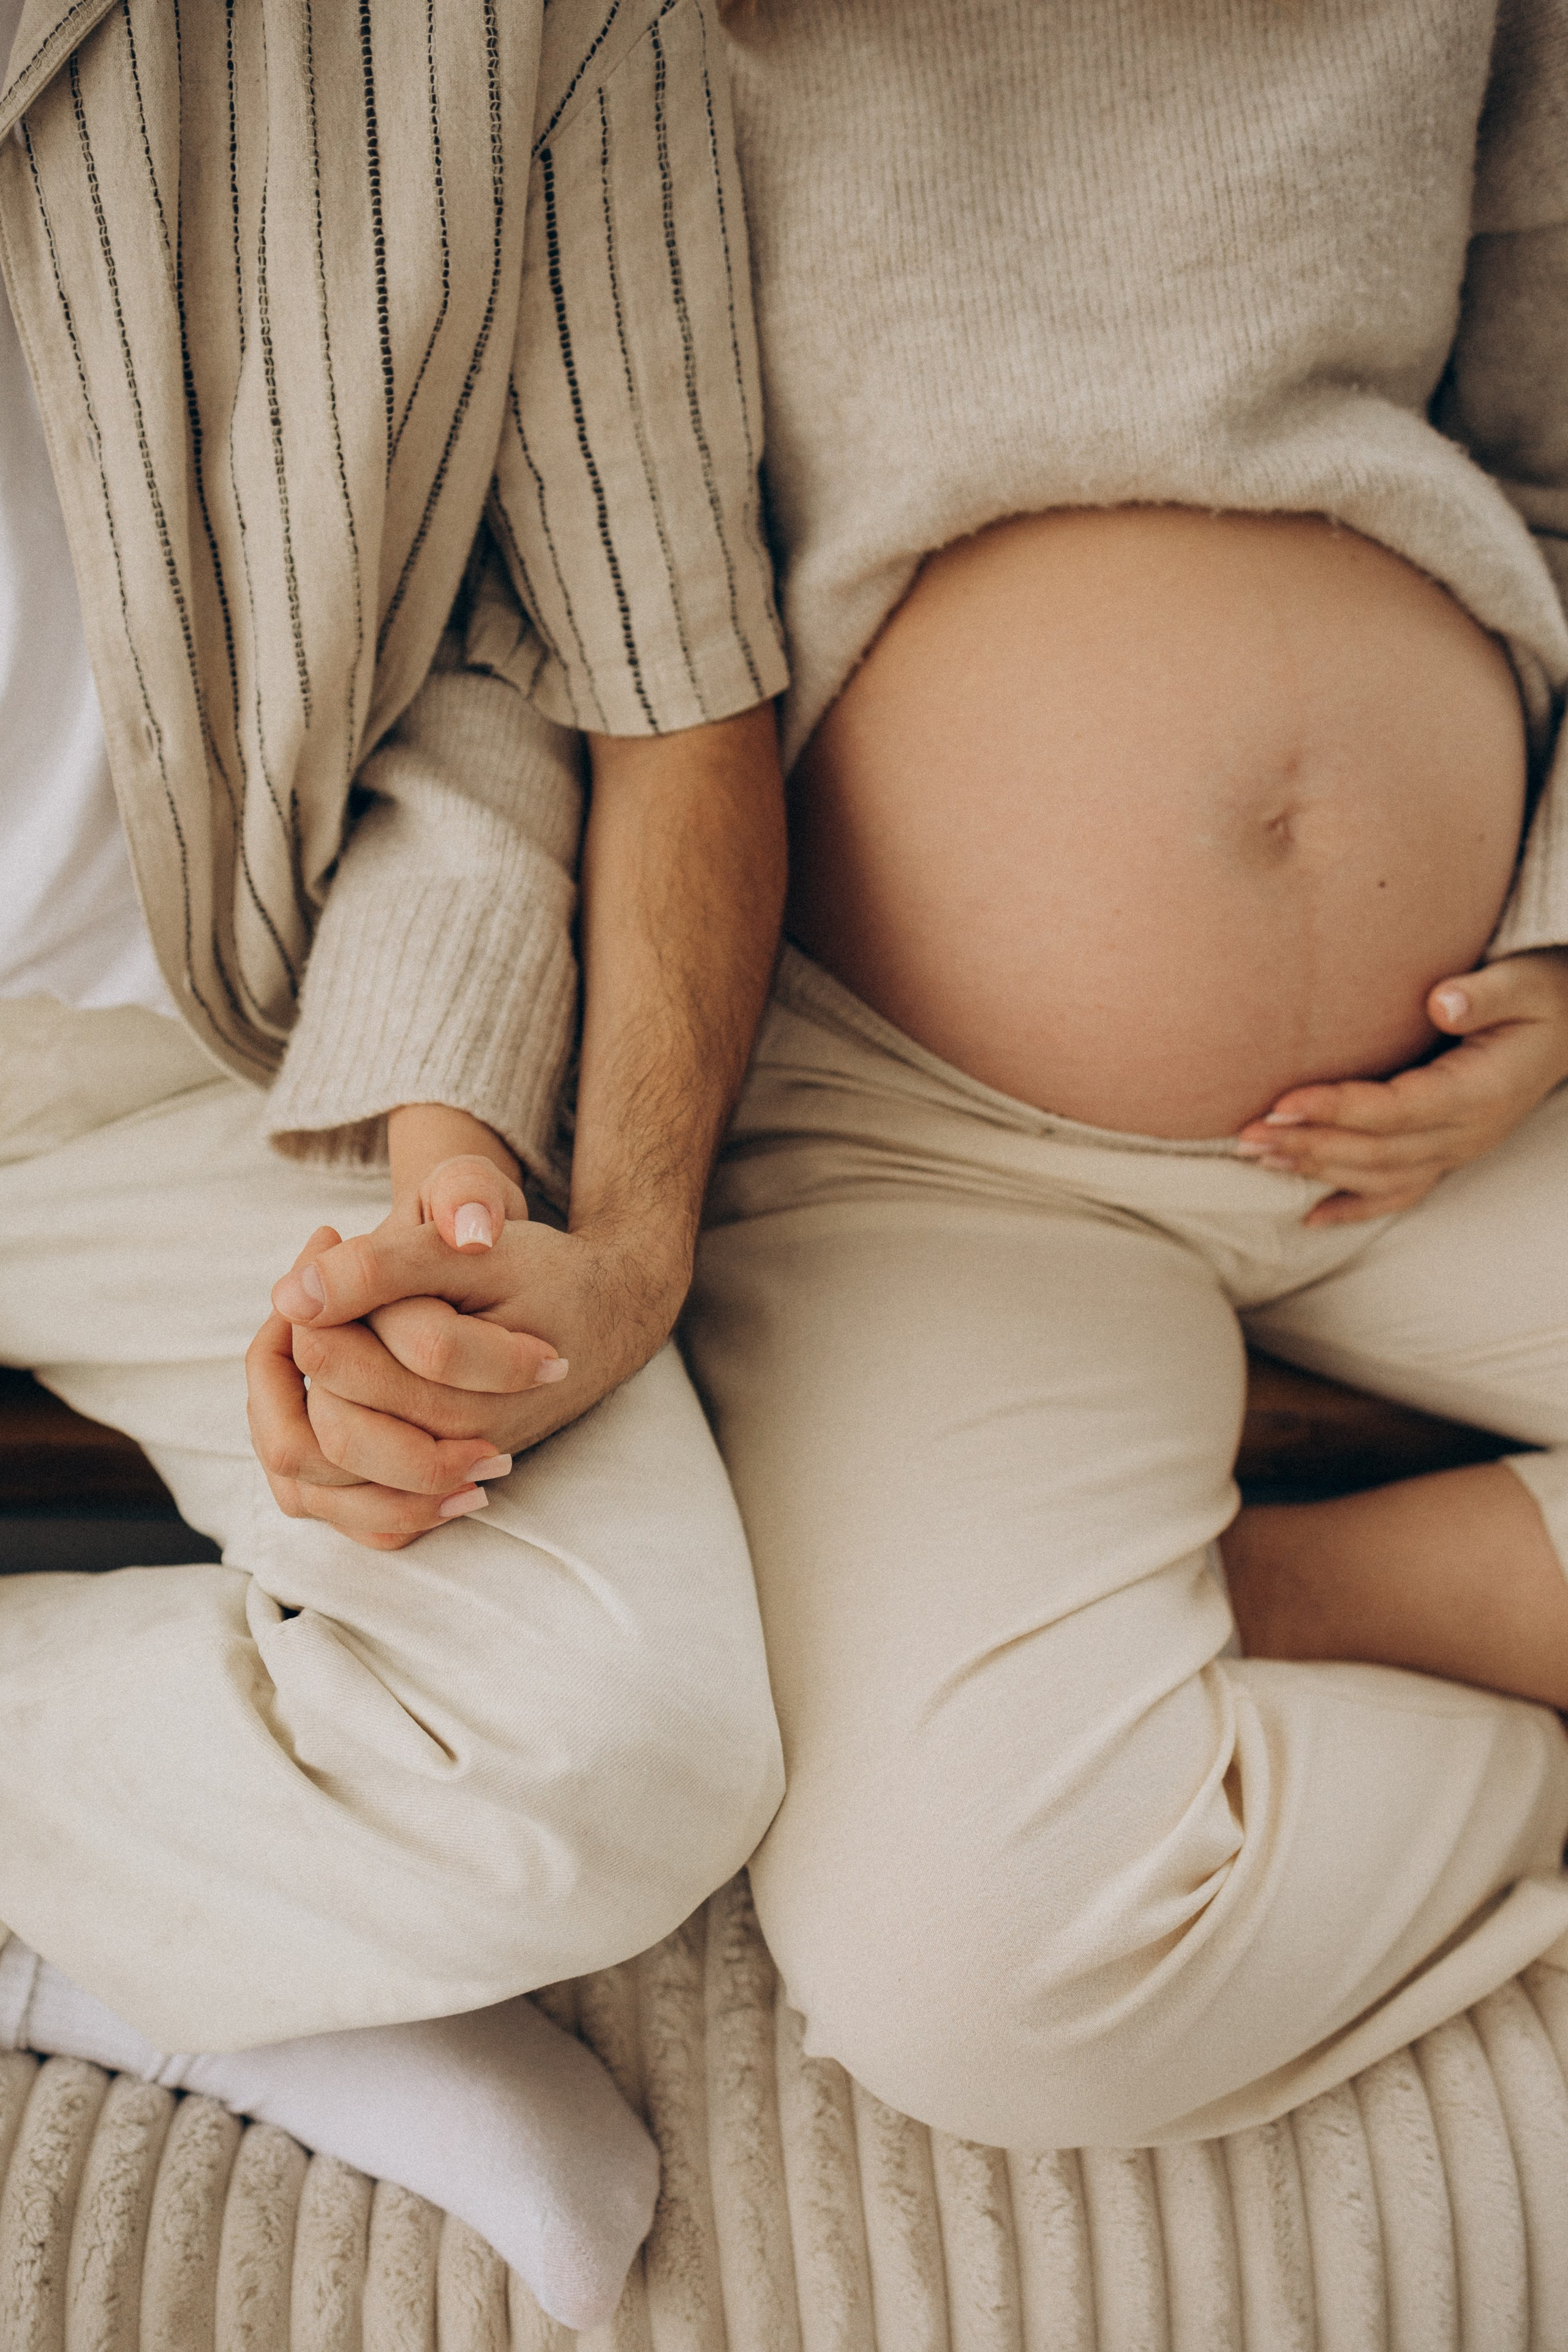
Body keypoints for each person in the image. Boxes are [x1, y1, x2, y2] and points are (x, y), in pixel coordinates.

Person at [673, 0, 1568, 2149]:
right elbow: (570, 606)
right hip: (927, 1141)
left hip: (1468, 1094)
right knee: (993, 1979)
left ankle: (1311, 1603)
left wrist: (1563, 935)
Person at [0, 0, 786, 2321]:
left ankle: (122, 1923)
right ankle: (141, 1946)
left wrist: (588, 1230)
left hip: (166, 1034)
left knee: (601, 1741)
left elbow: (650, 668)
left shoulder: (539, 28)